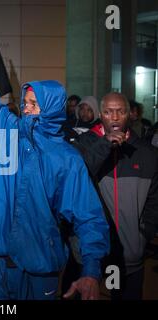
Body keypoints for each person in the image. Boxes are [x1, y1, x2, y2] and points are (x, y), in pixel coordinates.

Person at [0, 16, 109, 300]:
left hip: (40, 270)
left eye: (33, 104)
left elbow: (88, 216)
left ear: (51, 109)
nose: (26, 109)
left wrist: (91, 269)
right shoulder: (6, 130)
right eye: (25, 103)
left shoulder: (66, 158)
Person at [73, 93, 158, 300]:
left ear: (129, 115)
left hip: (129, 256)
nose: (115, 117)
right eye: (109, 112)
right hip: (89, 256)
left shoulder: (147, 153)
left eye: (120, 111)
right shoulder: (83, 145)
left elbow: (155, 202)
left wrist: (142, 235)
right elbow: (74, 179)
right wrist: (105, 144)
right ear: (101, 115)